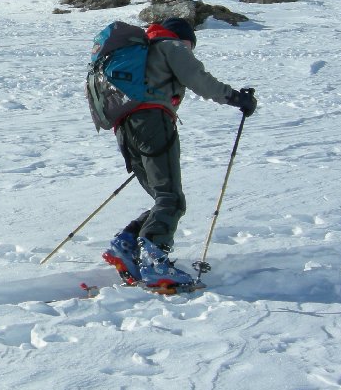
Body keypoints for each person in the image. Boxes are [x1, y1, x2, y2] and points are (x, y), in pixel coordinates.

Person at [102, 17, 257, 289]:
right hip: (153, 122)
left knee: (163, 198)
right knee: (171, 198)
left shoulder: (140, 52)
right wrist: (236, 98)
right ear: (183, 37)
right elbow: (198, 78)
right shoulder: (169, 45)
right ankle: (154, 261)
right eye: (190, 45)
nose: (190, 50)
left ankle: (125, 245)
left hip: (125, 129)